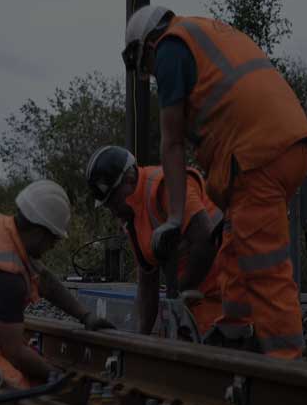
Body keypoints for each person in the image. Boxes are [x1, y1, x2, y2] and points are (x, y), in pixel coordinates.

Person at [122, 6, 307, 359]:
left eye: (147, 69)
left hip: (257, 157)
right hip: (288, 146)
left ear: (146, 47)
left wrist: (174, 218)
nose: (153, 74)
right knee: (234, 249)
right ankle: (234, 333)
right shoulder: (201, 32)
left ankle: (288, 367)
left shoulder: (169, 48)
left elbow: (172, 142)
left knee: (266, 268)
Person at [0, 180, 115, 389]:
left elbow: (45, 280)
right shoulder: (7, 276)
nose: (53, 246)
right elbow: (14, 353)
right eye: (54, 239)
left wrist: (86, 316)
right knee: (19, 389)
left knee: (35, 377)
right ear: (40, 233)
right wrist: (55, 375)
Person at [86, 145, 222, 338]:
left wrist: (178, 296)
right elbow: (148, 283)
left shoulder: (165, 186)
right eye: (108, 205)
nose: (114, 211)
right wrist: (140, 339)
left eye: (114, 201)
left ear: (129, 178)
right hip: (194, 301)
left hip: (225, 294)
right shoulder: (132, 216)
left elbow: (206, 239)